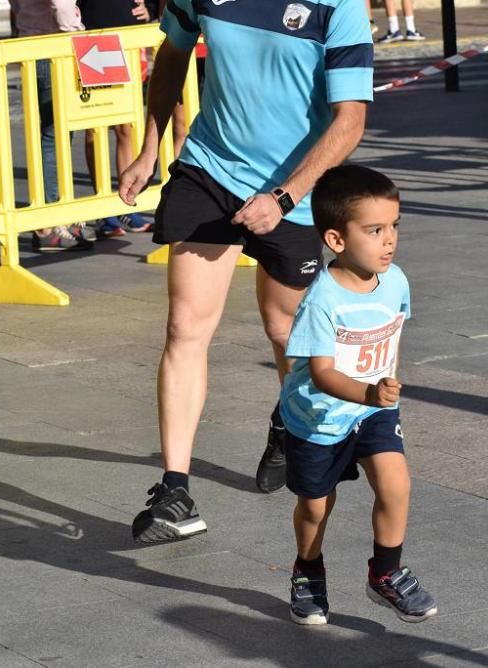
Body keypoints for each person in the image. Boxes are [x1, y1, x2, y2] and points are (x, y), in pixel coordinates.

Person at [120, 0, 372, 543]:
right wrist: (149, 147)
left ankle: (289, 421)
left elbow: (350, 119)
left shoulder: (339, 6)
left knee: (284, 331)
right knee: (184, 328)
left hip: (295, 192)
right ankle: (174, 492)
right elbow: (172, 55)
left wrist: (284, 197)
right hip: (208, 170)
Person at [280, 164, 436, 626]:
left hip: (374, 411)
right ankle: (308, 569)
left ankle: (385, 573)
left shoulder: (397, 281)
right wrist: (371, 391)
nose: (389, 240)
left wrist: (385, 388)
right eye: (374, 230)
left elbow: (393, 333)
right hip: (319, 417)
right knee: (315, 506)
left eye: (394, 227)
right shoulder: (322, 301)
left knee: (396, 483)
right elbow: (323, 374)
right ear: (336, 240)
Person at [9, 0, 94, 251]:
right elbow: (61, 5)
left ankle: (56, 216)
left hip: (30, 44)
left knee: (53, 133)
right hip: (54, 46)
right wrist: (75, 33)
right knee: (56, 134)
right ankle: (50, 222)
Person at [77, 0, 154, 236]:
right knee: (95, 128)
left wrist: (148, 8)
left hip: (127, 40)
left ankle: (125, 203)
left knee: (126, 128)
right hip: (92, 41)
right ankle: (103, 209)